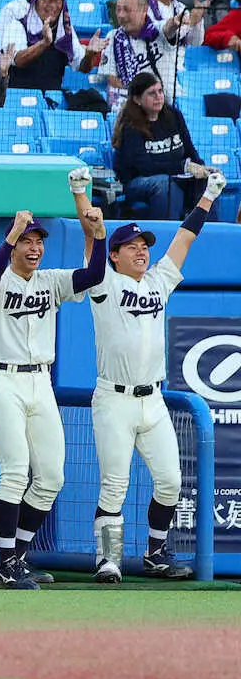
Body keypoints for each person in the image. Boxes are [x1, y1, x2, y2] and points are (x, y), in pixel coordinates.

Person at [86, 172, 227, 583]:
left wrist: (208, 198)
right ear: (114, 255)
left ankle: (155, 552)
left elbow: (183, 240)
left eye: (144, 245)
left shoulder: (157, 282)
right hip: (114, 398)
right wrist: (89, 218)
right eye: (132, 246)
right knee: (114, 485)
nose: (142, 251)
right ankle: (107, 560)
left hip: (153, 400)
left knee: (170, 481)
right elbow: (91, 245)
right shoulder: (103, 283)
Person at [0, 168, 107, 590]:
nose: (34, 248)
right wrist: (11, 235)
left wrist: (100, 237)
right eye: (28, 241)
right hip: (2, 378)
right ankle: (5, 563)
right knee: (15, 472)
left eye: (38, 242)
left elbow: (93, 277)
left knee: (51, 477)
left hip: (39, 382)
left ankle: (17, 557)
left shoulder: (50, 280)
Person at [111, 72, 213, 221]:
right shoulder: (130, 127)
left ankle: (207, 232)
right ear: (137, 99)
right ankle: (169, 235)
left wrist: (203, 168)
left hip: (174, 175)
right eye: (152, 93)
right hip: (136, 182)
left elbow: (189, 149)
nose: (158, 96)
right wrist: (184, 167)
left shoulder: (174, 115)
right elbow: (145, 167)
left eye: (160, 91)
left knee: (211, 182)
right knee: (165, 184)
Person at [99, 0, 207, 111]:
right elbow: (113, 80)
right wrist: (146, 95)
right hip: (134, 107)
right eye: (118, 10)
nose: (121, 15)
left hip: (168, 105)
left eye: (127, 10)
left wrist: (174, 23)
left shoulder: (157, 31)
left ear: (144, 10)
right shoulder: (113, 38)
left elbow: (168, 29)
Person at [0, 0, 105, 92]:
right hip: (19, 98)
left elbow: (82, 67)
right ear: (36, 0)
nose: (53, 5)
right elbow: (18, 60)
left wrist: (90, 55)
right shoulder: (17, 24)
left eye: (57, 0)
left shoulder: (65, 31)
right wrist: (44, 43)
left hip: (52, 101)